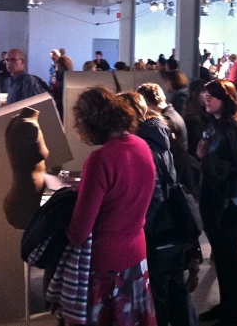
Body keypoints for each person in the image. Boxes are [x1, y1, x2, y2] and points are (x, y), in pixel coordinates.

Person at [67, 87, 157, 326]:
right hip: (136, 255)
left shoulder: (100, 159)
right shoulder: (141, 145)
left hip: (106, 265)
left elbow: (79, 232)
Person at [117, 91, 197, 326]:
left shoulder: (144, 145)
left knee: (158, 300)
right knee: (178, 295)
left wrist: (139, 227)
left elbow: (155, 195)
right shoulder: (159, 136)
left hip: (159, 232)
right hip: (173, 227)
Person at [196, 80, 237, 326]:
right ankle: (226, 306)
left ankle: (233, 315)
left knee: (229, 257)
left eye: (213, 96)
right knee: (222, 254)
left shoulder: (234, 126)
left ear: (226, 99)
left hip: (229, 199)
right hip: (215, 197)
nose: (207, 99)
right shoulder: (215, 124)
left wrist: (214, 165)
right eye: (206, 95)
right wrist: (202, 156)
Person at [137, 83, 197, 197]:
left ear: (149, 104)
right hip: (181, 174)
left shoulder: (165, 122)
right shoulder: (172, 114)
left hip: (178, 179)